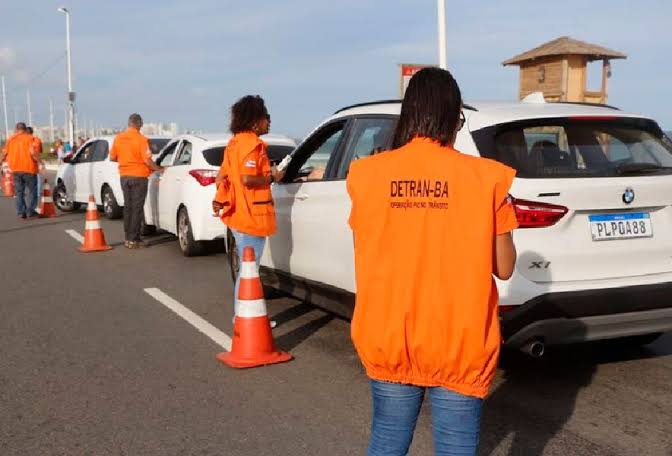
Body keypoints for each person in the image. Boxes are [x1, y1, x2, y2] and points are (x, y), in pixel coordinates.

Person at [346, 68, 518, 456]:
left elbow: (367, 246)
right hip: (459, 339)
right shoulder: (487, 179)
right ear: (452, 118)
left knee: (388, 439)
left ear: (409, 114)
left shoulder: (366, 175)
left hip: (390, 333)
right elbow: (504, 267)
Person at [213, 95, 284, 318]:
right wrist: (272, 177)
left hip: (236, 214)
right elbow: (247, 179)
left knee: (246, 271)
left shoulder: (233, 144)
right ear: (255, 120)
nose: (269, 122)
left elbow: (220, 176)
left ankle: (243, 317)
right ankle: (244, 319)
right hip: (251, 216)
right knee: (249, 272)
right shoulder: (252, 145)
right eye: (267, 117)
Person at [110, 113, 164, 249]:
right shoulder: (141, 139)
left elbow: (112, 157)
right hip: (139, 177)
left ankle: (128, 238)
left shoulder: (119, 138)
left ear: (129, 124)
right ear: (140, 124)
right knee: (137, 208)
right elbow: (147, 160)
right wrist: (159, 169)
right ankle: (134, 239)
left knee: (128, 207)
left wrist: (125, 160)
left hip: (124, 176)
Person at [0, 122, 44, 219]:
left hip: (15, 170)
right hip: (29, 169)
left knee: (19, 192)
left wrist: (0, 162)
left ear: (16, 129)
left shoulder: (10, 139)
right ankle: (30, 212)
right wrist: (41, 162)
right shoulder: (31, 138)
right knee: (32, 191)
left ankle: (21, 212)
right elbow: (33, 152)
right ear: (25, 129)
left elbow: (4, 153)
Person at [27, 126, 43, 208]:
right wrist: (41, 163)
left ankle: (25, 208)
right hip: (35, 164)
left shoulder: (23, 141)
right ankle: (34, 205)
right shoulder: (37, 140)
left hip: (24, 165)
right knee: (36, 185)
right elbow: (40, 151)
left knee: (23, 188)